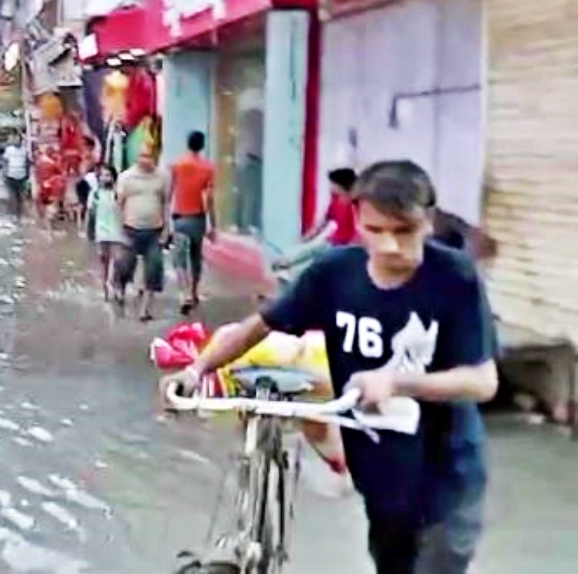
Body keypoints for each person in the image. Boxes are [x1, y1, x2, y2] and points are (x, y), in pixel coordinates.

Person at [163, 159, 498, 574]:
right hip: (378, 474)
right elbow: (260, 327)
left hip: (447, 475)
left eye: (404, 230)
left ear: (428, 221)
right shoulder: (334, 274)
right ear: (357, 220)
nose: (390, 245)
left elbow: (482, 382)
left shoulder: (455, 277)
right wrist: (197, 370)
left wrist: (397, 381)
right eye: (376, 230)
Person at [114, 142, 170, 321]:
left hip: (154, 230)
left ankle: (145, 310)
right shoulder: (126, 177)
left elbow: (165, 203)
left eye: (149, 157)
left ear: (155, 158)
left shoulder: (162, 177)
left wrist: (167, 229)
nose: (146, 160)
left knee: (153, 269)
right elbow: (119, 204)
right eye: (142, 156)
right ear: (137, 158)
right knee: (125, 267)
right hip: (131, 229)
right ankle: (120, 289)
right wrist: (120, 228)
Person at [274, 167, 359, 274]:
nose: (330, 187)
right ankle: (284, 263)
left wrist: (349, 254)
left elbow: (358, 236)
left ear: (342, 186)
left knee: (316, 266)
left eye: (333, 184)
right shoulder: (335, 201)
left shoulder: (356, 206)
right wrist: (306, 238)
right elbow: (321, 224)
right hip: (331, 242)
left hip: (343, 249)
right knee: (311, 250)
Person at [169, 131, 216, 314]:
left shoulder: (177, 166)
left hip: (179, 217)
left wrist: (165, 219)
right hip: (198, 219)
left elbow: (169, 193)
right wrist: (214, 225)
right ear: (202, 145)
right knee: (195, 257)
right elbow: (209, 198)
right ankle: (194, 291)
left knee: (179, 258)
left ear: (188, 144)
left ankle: (184, 293)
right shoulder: (208, 168)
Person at [87, 165, 125, 299]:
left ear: (113, 177)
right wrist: (89, 232)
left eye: (108, 175)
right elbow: (91, 214)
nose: (105, 178)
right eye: (103, 175)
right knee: (104, 260)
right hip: (101, 232)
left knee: (118, 260)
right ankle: (105, 288)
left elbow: (124, 211)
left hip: (117, 231)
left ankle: (115, 284)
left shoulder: (118, 193)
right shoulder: (95, 194)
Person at [2, 133, 30, 220]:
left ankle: (19, 214)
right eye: (15, 139)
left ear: (21, 141)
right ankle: (14, 215)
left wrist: (27, 174)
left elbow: (27, 163)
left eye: (18, 139)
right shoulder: (8, 150)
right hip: (11, 175)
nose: (16, 141)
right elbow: (5, 162)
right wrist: (5, 173)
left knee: (21, 197)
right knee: (12, 197)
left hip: (22, 176)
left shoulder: (25, 151)